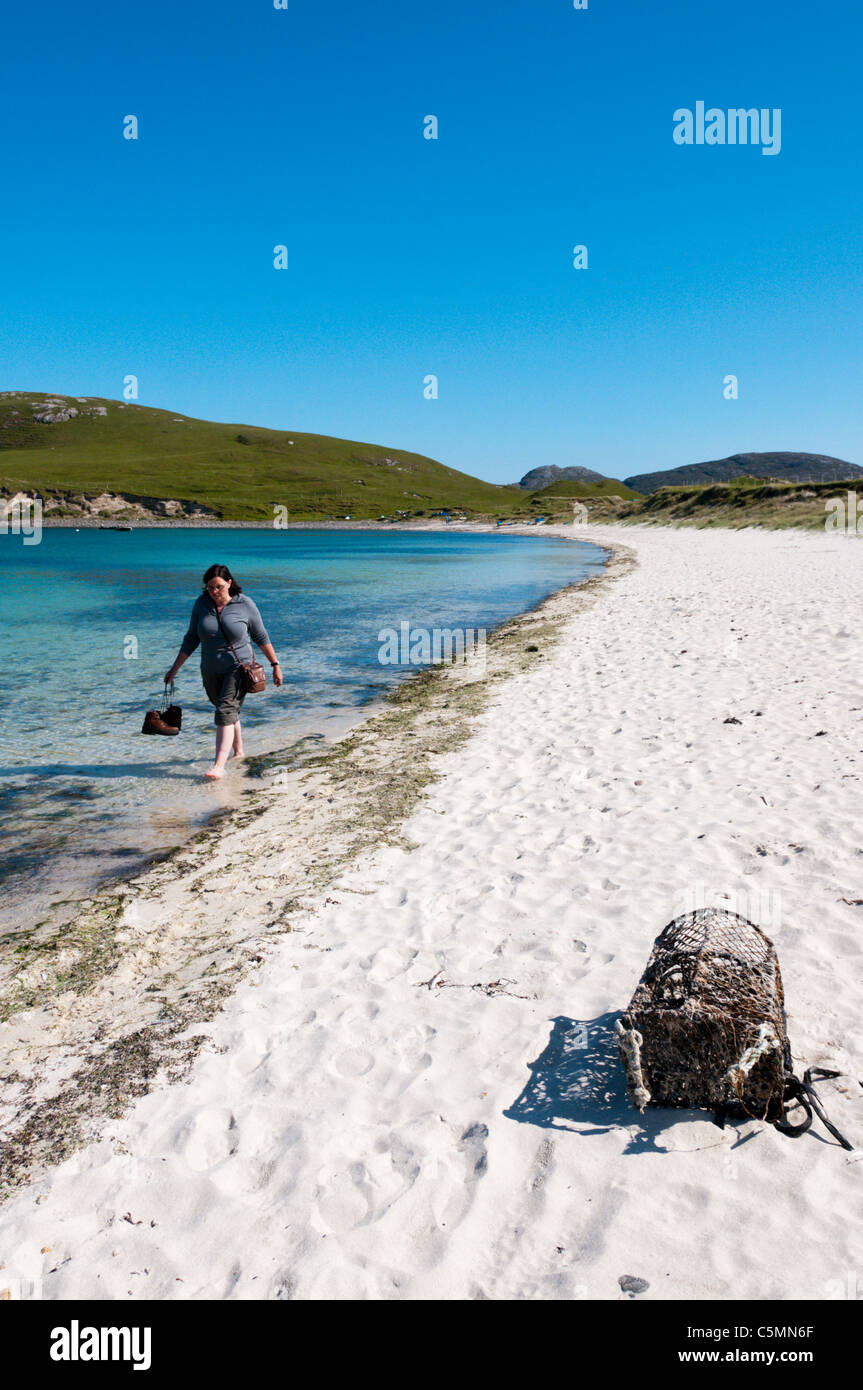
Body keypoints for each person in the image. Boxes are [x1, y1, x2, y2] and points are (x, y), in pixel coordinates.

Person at [164, 564, 282, 779]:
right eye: (209, 588)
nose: (214, 592)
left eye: (218, 587)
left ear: (229, 583)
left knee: (224, 712)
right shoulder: (201, 604)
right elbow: (191, 638)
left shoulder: (245, 604)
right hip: (210, 669)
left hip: (238, 668)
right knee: (227, 710)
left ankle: (219, 765)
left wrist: (275, 665)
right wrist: (174, 669)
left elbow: (261, 637)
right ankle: (239, 751)